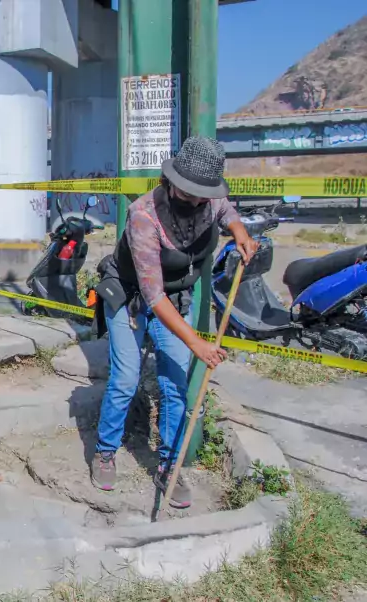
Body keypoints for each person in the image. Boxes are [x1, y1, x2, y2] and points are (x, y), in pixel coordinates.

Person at [91, 136, 258, 508]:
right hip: (133, 298)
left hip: (176, 296)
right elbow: (152, 295)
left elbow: (225, 210)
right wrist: (197, 343)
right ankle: (105, 451)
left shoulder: (209, 197)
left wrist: (240, 233)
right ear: (173, 182)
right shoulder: (143, 215)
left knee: (174, 382)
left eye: (205, 193)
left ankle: (169, 464)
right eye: (192, 193)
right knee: (125, 378)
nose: (199, 200)